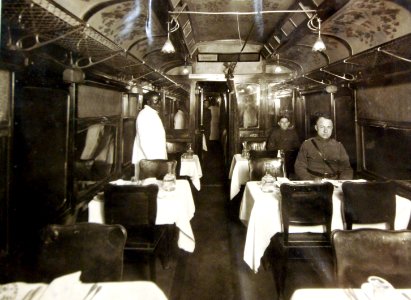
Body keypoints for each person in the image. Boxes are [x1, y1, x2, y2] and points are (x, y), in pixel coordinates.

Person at [294, 114, 353, 180]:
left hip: (333, 182)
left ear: (332, 128)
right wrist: (309, 180)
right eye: (322, 127)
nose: (325, 131)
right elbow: (299, 167)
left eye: (328, 127)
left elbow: (346, 169)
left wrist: (342, 182)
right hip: (313, 182)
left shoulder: (338, 146)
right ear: (316, 128)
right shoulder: (307, 144)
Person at [132, 91, 167, 179]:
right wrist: (153, 163)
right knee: (147, 186)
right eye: (156, 101)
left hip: (154, 160)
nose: (159, 103)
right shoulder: (144, 115)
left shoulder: (152, 113)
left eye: (159, 100)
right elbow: (144, 141)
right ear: (148, 102)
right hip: (149, 161)